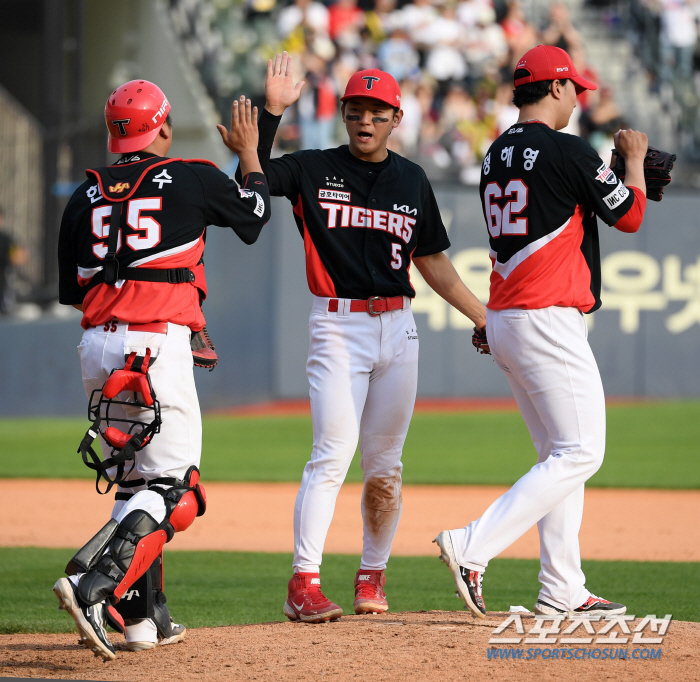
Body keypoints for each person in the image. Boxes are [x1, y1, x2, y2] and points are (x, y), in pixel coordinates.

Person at [239, 53, 487, 623]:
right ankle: (303, 582)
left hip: (399, 328)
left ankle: (371, 574)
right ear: (344, 114)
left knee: (385, 466)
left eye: (377, 110)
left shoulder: (412, 178)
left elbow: (433, 263)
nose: (366, 120)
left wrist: (483, 316)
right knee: (331, 454)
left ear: (396, 118)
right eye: (356, 109)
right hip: (337, 325)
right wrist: (272, 114)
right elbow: (251, 185)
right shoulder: (310, 168)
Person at [54, 80, 270, 660]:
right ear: (165, 128)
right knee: (178, 490)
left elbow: (72, 291)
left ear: (112, 133)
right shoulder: (192, 174)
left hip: (97, 349)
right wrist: (250, 152)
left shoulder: (84, 194)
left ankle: (143, 620)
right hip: (153, 346)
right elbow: (254, 216)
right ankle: (91, 586)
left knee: (133, 484)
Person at [434, 44, 648, 618]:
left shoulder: (495, 152)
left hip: (507, 314)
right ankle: (472, 545)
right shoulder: (568, 148)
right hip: (547, 315)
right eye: (574, 87)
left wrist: (614, 177)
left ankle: (562, 588)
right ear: (555, 89)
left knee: (559, 453)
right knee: (582, 451)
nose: (578, 97)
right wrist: (632, 162)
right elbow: (629, 215)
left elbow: (566, 200)